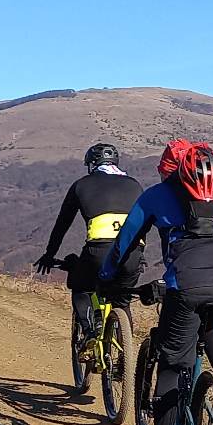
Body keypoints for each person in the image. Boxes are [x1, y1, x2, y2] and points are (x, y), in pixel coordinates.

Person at [100, 140, 213, 425]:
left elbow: (125, 242)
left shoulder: (155, 196)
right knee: (209, 324)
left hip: (185, 288)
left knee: (171, 366)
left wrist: (109, 277)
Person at [34, 142, 146, 344]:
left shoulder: (81, 185)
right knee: (122, 301)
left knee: (81, 287)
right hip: (132, 253)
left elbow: (62, 224)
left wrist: (49, 254)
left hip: (98, 252)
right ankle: (123, 360)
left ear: (92, 164)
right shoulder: (134, 184)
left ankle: (89, 334)